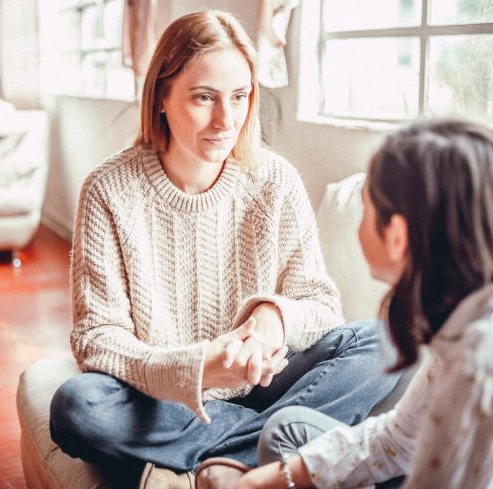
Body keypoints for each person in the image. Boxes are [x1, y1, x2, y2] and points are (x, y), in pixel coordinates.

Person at [48, 10, 399, 489]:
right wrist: (198, 368)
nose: (226, 119)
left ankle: (212, 464)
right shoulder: (109, 191)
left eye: (239, 97)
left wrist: (271, 321)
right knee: (77, 406)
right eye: (204, 97)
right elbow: (97, 338)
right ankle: (272, 455)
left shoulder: (274, 180)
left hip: (265, 384)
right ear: (162, 98)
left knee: (384, 339)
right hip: (164, 398)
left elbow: (321, 304)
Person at [195, 119, 493, 489]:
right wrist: (259, 482)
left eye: (366, 205)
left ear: (397, 236)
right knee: (285, 431)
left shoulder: (477, 367)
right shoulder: (458, 325)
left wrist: (274, 318)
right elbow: (398, 441)